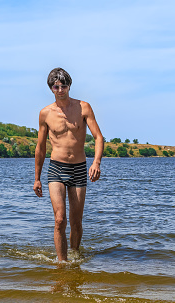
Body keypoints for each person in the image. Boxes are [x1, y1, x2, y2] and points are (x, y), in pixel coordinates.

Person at [33, 68, 104, 262]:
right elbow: (40, 148)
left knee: (76, 222)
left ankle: (75, 256)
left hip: (79, 168)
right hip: (56, 167)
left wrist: (96, 162)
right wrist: (37, 178)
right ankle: (62, 263)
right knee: (59, 219)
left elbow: (98, 137)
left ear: (69, 86)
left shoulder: (84, 108)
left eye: (64, 85)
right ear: (51, 88)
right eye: (56, 86)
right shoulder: (45, 114)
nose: (60, 89)